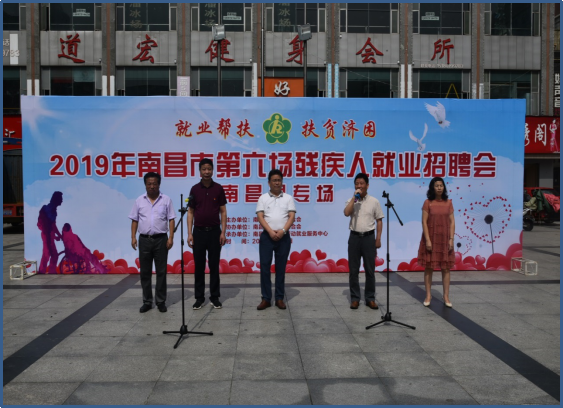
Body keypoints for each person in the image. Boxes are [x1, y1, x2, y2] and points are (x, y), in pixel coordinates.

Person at [129, 172, 175, 313]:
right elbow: (135, 220)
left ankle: (160, 301)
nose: (152, 186)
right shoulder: (139, 200)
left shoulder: (166, 200)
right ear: (145, 185)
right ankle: (147, 301)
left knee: (161, 271)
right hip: (144, 240)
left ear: (159, 184)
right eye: (149, 184)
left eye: (154, 183)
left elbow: (171, 219)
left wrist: (171, 237)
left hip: (161, 239)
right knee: (145, 272)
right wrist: (133, 237)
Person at [187, 158, 227, 310]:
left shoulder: (218, 188)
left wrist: (223, 232)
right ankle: (199, 298)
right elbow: (190, 212)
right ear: (200, 171)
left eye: (209, 169)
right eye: (204, 169)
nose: (206, 172)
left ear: (212, 170)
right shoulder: (194, 189)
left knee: (214, 265)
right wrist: (189, 233)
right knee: (199, 266)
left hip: (215, 232)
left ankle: (215, 297)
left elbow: (223, 211)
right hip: (198, 232)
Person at [256, 169, 296, 310]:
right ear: (269, 183)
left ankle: (279, 298)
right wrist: (270, 231)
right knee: (265, 268)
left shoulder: (288, 198)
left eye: (279, 180)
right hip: (267, 237)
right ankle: (266, 298)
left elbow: (292, 216)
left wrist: (283, 231)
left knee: (280, 268)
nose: (277, 183)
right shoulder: (263, 198)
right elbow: (260, 216)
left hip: (283, 237)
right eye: (274, 180)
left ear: (282, 182)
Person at [343, 173, 384, 310]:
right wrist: (354, 199)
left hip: (368, 238)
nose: (359, 186)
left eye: (361, 183)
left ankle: (370, 298)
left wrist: (378, 239)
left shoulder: (374, 201)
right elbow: (346, 213)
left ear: (367, 185)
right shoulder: (351, 200)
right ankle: (355, 298)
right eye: (357, 183)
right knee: (353, 270)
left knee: (370, 270)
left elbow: (379, 220)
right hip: (354, 237)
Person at [417, 176, 455, 308]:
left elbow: (452, 222)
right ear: (432, 188)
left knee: (446, 268)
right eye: (437, 185)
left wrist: (451, 239)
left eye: (441, 185)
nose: (439, 188)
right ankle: (428, 295)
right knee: (429, 267)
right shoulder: (428, 202)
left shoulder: (448, 203)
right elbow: (424, 222)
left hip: (445, 239)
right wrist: (428, 240)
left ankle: (446, 296)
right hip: (431, 238)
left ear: (444, 187)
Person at [37, 191, 63, 274]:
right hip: (47, 234)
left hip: (48, 234)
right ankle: (49, 271)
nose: (62, 200)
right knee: (50, 255)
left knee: (48, 254)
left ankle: (45, 271)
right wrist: (58, 235)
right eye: (61, 198)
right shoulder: (49, 210)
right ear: (57, 199)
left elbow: (51, 225)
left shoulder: (51, 210)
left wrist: (57, 236)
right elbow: (50, 225)